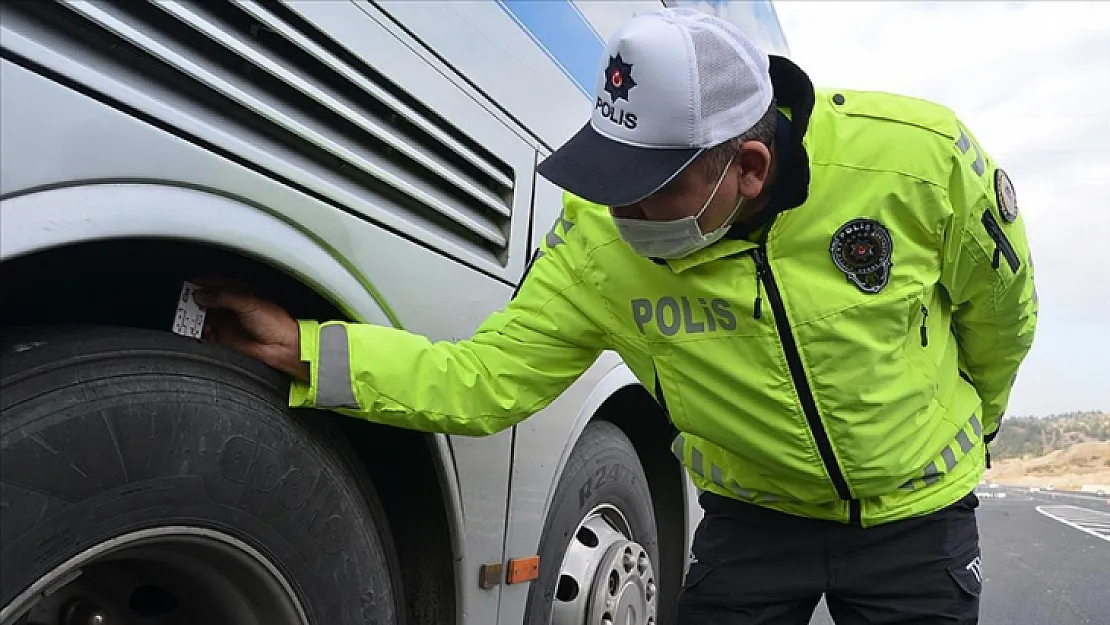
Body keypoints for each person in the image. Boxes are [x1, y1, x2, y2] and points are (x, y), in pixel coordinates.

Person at [195, 7, 1038, 624]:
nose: (613, 210)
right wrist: (314, 352)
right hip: (753, 522)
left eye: (643, 188)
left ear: (746, 166)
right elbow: (485, 380)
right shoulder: (596, 246)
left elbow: (1001, 317)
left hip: (912, 519)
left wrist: (977, 421)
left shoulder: (920, 164)